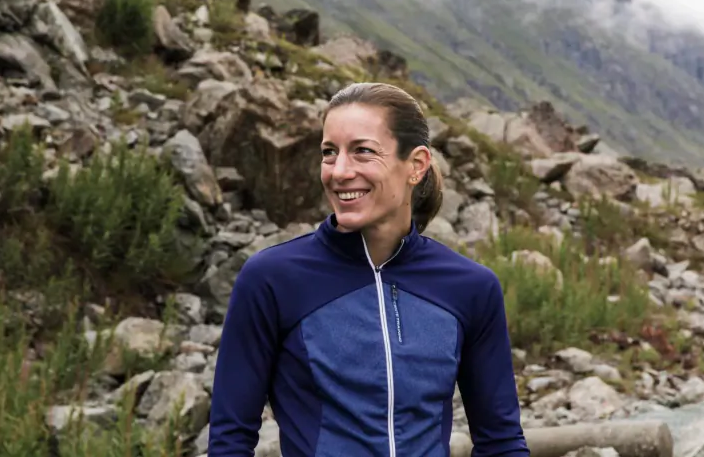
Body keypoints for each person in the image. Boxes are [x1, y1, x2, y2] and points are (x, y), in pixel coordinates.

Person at [207, 82, 529, 457]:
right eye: (330, 153)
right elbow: (230, 439)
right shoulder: (272, 279)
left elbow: (502, 442)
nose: (339, 171)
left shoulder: (470, 287)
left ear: (416, 165)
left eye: (362, 151)